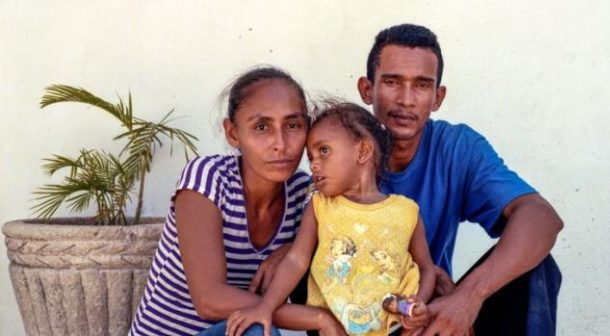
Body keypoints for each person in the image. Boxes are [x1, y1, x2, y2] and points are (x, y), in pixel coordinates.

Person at [356, 24, 564, 335]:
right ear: (366, 89)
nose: (406, 99)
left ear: (438, 97)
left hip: (434, 319)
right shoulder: (339, 148)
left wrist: (468, 298)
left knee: (537, 266)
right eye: (392, 82)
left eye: (422, 85)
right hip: (363, 320)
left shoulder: (456, 148)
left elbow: (541, 217)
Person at [129, 67, 344, 336]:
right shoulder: (208, 178)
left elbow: (348, 246)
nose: (280, 143)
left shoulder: (304, 193)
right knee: (257, 328)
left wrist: (295, 248)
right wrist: (320, 319)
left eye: (292, 125)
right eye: (261, 127)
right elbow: (209, 299)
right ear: (233, 133)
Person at [225, 102, 437, 336]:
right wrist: (266, 306)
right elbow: (296, 259)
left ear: (363, 151)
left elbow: (426, 268)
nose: (314, 164)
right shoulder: (320, 206)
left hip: (395, 328)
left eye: (323, 151)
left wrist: (419, 304)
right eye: (311, 156)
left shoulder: (406, 212)